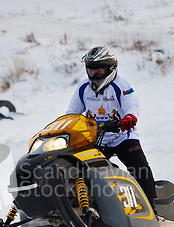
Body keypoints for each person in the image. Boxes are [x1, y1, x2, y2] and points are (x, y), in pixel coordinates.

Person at [66, 46, 158, 212]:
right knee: (78, 169)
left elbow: (132, 103)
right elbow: (71, 114)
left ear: (111, 68)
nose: (94, 75)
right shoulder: (83, 88)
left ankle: (152, 210)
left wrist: (129, 118)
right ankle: (83, 208)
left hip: (123, 135)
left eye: (99, 70)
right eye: (91, 70)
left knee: (140, 168)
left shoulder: (120, 84)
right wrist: (65, 128)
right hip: (97, 139)